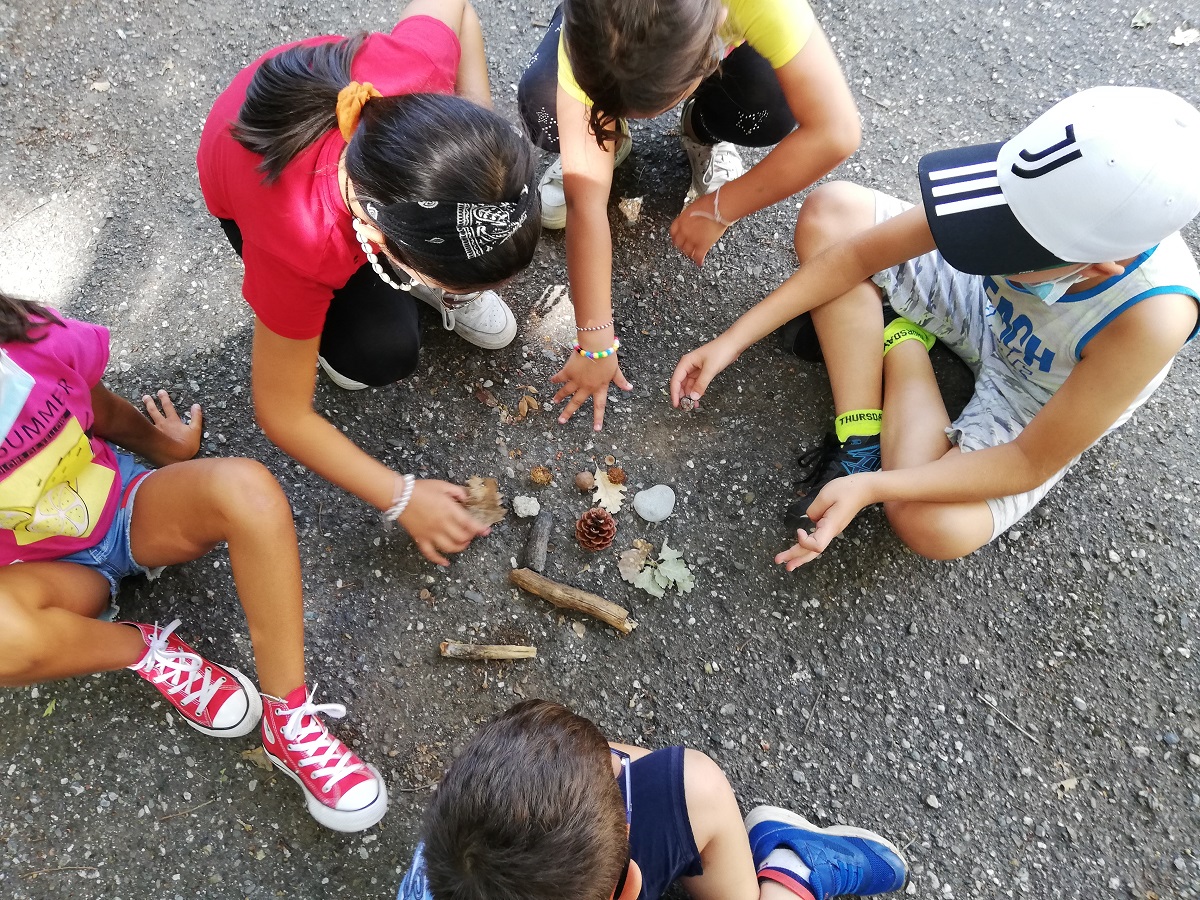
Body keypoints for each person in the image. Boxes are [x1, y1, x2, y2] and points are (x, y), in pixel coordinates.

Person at [670, 86, 1200, 568]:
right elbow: (855, 253)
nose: (985, 245)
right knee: (833, 212)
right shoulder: (1037, 184)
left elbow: (1029, 459)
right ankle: (861, 434)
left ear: (1097, 267)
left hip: (1036, 391)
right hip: (978, 303)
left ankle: (900, 338)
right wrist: (732, 341)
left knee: (933, 525)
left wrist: (875, 489)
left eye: (1006, 247)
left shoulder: (1154, 317)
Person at [0, 292, 387, 832]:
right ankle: (146, 650)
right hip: (48, 575)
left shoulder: (27, 337)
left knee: (245, 489)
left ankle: (288, 719)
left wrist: (166, 448)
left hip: (127, 507)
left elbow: (97, 405)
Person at [198, 0, 540, 566]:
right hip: (252, 170)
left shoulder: (424, 81)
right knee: (380, 354)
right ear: (383, 244)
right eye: (454, 282)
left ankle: (437, 271)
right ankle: (340, 332)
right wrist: (400, 496)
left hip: (357, 158)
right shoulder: (299, 246)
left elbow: (456, 7)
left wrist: (476, 134)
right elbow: (282, 413)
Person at [517, 0, 860, 430]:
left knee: (768, 107)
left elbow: (836, 132)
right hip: (622, 43)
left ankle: (702, 127)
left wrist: (723, 207)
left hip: (704, 46)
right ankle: (603, 136)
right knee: (546, 107)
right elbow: (584, 203)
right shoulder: (598, 28)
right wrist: (594, 342)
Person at [396, 699, 907, 900]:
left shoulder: (450, 864)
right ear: (627, 887)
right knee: (694, 786)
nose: (624, 762)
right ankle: (793, 870)